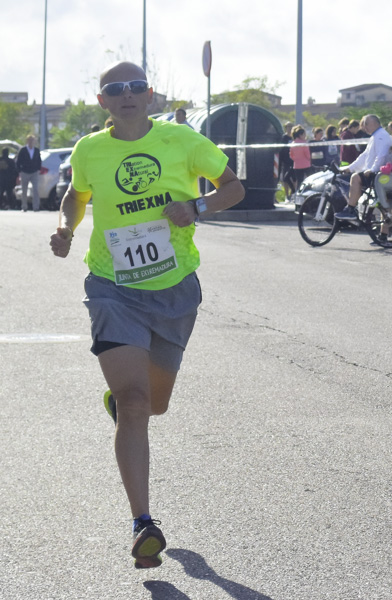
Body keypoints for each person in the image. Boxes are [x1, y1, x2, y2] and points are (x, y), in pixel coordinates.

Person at [48, 60, 245, 570]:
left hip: (174, 289)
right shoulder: (89, 149)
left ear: (151, 95)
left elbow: (234, 187)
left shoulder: (182, 140)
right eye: (115, 89)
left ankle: (127, 406)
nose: (127, 94)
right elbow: (76, 194)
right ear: (103, 102)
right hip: (111, 287)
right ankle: (142, 523)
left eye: (136, 87)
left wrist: (197, 208)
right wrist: (66, 229)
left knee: (153, 405)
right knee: (135, 404)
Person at [335, 114, 392, 221]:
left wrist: (372, 170)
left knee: (355, 178)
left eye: (366, 124)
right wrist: (349, 168)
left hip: (377, 173)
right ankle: (383, 235)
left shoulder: (380, 136)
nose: (364, 127)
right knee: (384, 205)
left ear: (375, 123)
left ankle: (350, 209)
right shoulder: (375, 136)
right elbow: (364, 156)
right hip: (376, 172)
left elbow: (382, 155)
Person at [17, 134, 42, 211]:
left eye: (33, 140)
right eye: (30, 140)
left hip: (34, 172)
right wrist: (19, 171)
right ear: (27, 141)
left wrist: (38, 169)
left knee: (35, 189)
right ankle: (24, 207)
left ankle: (36, 207)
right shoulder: (23, 150)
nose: (31, 142)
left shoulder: (37, 150)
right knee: (24, 190)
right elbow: (18, 161)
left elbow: (39, 161)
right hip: (24, 172)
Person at [289, 125, 312, 193]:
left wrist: (296, 159)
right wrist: (309, 159)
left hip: (296, 165)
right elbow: (307, 155)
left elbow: (291, 155)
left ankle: (298, 193)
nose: (305, 136)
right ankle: (309, 192)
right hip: (306, 164)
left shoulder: (293, 143)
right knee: (310, 179)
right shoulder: (304, 143)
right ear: (300, 135)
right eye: (304, 134)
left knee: (299, 181)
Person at [279, 121, 295, 198]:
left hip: (293, 160)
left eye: (291, 127)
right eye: (288, 127)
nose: (289, 129)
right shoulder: (284, 138)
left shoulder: (294, 138)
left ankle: (293, 193)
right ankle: (286, 195)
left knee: (294, 178)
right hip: (285, 160)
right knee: (285, 179)